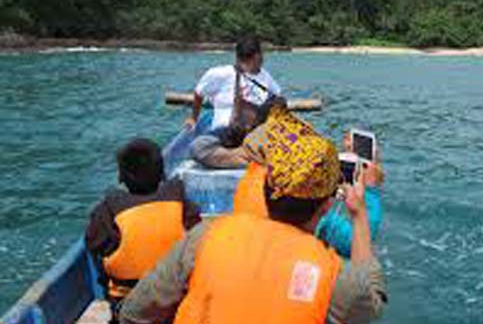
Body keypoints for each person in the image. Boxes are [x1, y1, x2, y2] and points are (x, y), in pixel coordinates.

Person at [119, 109, 386, 324]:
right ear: (327, 205)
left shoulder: (206, 236)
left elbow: (134, 312)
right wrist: (360, 213)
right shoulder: (333, 276)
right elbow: (369, 297)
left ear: (266, 185)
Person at [85, 138, 201, 323]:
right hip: (176, 300)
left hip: (131, 303)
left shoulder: (106, 211)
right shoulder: (183, 205)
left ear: (121, 177)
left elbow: (94, 245)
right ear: (162, 174)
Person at [234, 124, 385, 257]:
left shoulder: (253, 188)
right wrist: (370, 193)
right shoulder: (323, 234)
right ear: (326, 206)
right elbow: (354, 245)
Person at [186, 34, 281, 168]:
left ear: (260, 56)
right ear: (238, 58)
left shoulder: (267, 79)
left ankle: (238, 157)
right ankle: (244, 157)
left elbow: (279, 106)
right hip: (224, 135)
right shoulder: (220, 74)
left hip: (254, 136)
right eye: (247, 61)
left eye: (253, 59)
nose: (251, 65)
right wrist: (193, 118)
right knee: (197, 147)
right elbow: (199, 92)